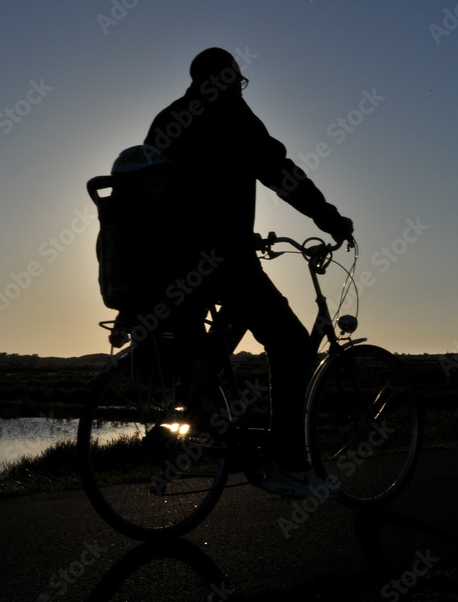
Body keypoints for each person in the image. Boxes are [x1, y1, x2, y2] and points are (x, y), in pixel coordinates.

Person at [144, 47, 354, 499]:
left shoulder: (168, 119)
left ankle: (200, 408)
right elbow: (280, 173)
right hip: (220, 258)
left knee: (215, 342)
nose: (239, 90)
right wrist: (331, 220)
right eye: (237, 83)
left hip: (162, 264)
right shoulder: (232, 117)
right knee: (294, 344)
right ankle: (288, 466)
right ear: (228, 81)